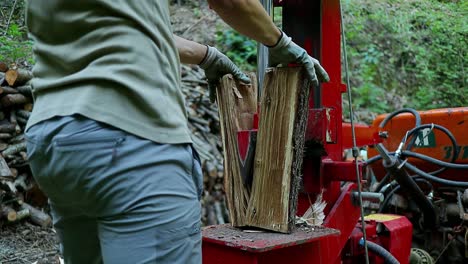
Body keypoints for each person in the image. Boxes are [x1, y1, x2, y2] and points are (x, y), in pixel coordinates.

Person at [25, 0, 329, 263]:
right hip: (132, 143)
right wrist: (280, 43)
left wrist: (207, 56)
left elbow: (131, 30)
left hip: (55, 143)